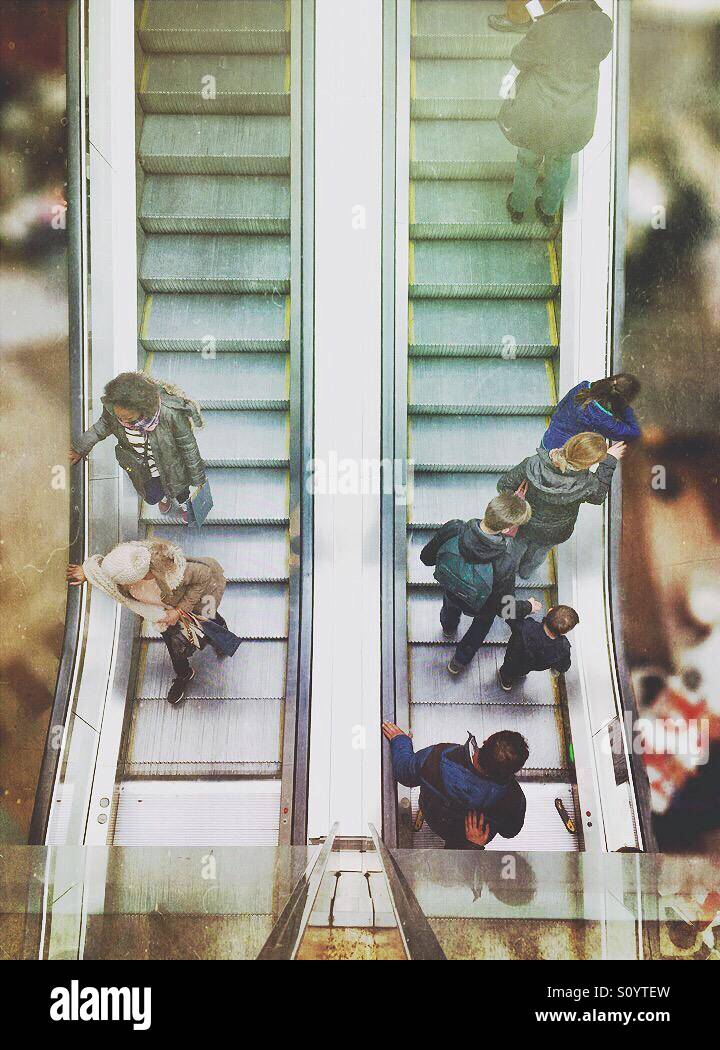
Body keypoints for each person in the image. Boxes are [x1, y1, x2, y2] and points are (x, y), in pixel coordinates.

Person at [67, 537, 227, 705]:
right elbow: (103, 574)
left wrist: (179, 611)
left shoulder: (171, 571)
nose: (120, 586)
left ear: (139, 577)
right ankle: (184, 673)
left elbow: (205, 575)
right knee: (176, 650)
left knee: (211, 622)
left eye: (123, 583)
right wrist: (87, 572)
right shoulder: (120, 562)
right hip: (163, 617)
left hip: (191, 607)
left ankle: (221, 637)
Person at [496, 0, 614, 225]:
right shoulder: (602, 24)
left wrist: (538, 29)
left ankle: (518, 207)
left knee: (527, 160)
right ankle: (548, 210)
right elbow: (600, 51)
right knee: (561, 163)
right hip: (576, 117)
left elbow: (518, 56)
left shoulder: (546, 26)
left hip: (539, 114)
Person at [70, 371, 206, 524]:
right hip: (141, 467)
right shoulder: (113, 409)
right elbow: (101, 427)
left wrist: (197, 478)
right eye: (119, 417)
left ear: (143, 409)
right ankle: (163, 497)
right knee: (152, 495)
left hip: (171, 465)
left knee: (180, 489)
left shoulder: (170, 414)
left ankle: (184, 504)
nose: (123, 421)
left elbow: (188, 447)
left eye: (128, 418)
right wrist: (79, 448)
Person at [419, 493, 532, 676]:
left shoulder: (454, 528)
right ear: (507, 529)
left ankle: (448, 629)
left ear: (488, 507)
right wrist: (528, 606)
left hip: (451, 589)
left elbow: (426, 558)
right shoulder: (504, 561)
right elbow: (505, 609)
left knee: (450, 607)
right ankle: (459, 661)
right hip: (481, 607)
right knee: (480, 627)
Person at [382, 722, 528, 850]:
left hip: (433, 816)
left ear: (486, 741)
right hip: (463, 840)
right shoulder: (513, 798)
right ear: (512, 771)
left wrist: (400, 740)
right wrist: (473, 845)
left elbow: (404, 772)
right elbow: (510, 831)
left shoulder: (438, 756)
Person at [497, 432, 625, 579]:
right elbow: (598, 497)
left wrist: (517, 510)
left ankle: (508, 572)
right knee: (538, 554)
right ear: (589, 463)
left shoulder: (533, 463)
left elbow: (504, 485)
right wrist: (609, 461)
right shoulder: (587, 484)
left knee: (515, 547)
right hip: (554, 532)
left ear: (569, 443)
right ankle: (526, 574)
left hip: (523, 523)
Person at [542, 374, 641, 450]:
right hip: (564, 457)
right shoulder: (601, 419)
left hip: (548, 440)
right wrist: (624, 407)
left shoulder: (582, 387)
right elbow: (634, 432)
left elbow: (561, 405)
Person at [498, 602, 579, 691]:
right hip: (531, 666)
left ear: (549, 611)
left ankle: (506, 681)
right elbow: (564, 666)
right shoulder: (563, 647)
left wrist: (527, 607)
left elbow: (508, 613)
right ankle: (519, 675)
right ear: (564, 632)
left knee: (507, 671)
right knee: (523, 670)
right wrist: (555, 670)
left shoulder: (525, 626)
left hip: (512, 658)